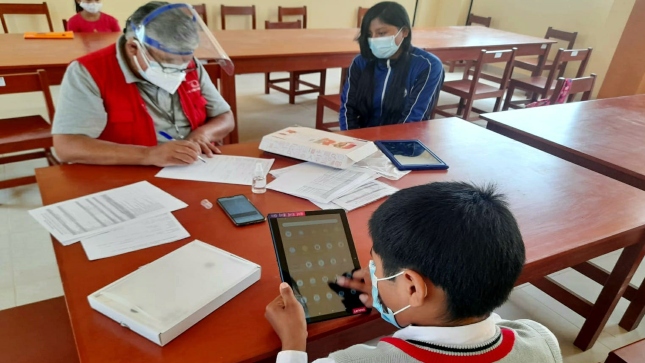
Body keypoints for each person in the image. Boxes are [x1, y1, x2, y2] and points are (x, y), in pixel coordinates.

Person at [265, 182, 562, 362]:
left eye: (377, 268)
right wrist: (390, 286)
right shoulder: (540, 339)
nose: (374, 277)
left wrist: (293, 342)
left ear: (412, 287)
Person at [53, 2, 235, 166]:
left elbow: (225, 117)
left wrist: (203, 135)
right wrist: (147, 155)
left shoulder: (188, 64)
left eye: (184, 62)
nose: (178, 72)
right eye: (167, 63)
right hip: (127, 172)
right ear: (133, 48)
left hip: (192, 166)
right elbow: (67, 146)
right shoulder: (89, 72)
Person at [339, 2, 444, 131]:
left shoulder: (427, 66)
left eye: (382, 33)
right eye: (369, 35)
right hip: (364, 138)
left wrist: (387, 148)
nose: (374, 39)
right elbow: (347, 108)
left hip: (404, 144)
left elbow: (414, 119)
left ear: (404, 31)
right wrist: (353, 142)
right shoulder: (361, 62)